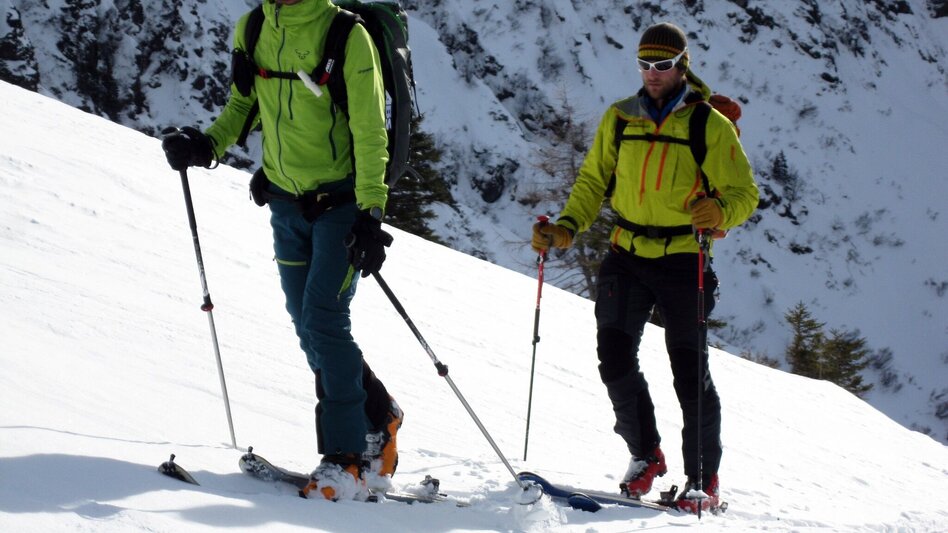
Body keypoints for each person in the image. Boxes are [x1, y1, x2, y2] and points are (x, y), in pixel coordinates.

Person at [161, 0, 402, 501]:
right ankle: (378, 415)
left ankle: (344, 458)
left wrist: (371, 213)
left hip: (342, 205)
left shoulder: (345, 36)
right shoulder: (252, 28)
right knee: (304, 321)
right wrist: (208, 145)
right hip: (285, 202)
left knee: (324, 318)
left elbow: (370, 130)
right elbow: (243, 106)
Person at [531, 22, 758, 514]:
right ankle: (646, 456)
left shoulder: (706, 126)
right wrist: (567, 226)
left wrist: (721, 213)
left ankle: (704, 479)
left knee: (688, 372)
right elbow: (593, 182)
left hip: (683, 258)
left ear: (682, 66)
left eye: (663, 65)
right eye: (645, 64)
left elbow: (745, 193)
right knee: (614, 361)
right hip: (626, 252)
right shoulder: (620, 119)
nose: (653, 74)